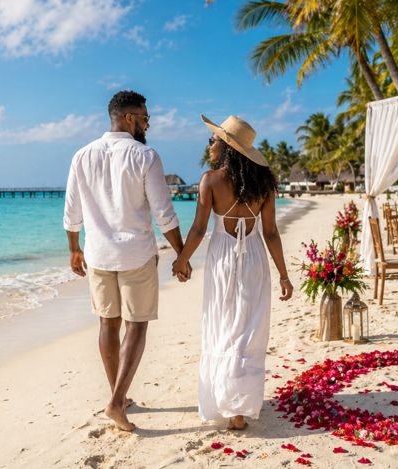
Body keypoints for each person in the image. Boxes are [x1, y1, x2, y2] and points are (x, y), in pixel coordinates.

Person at [63, 90, 188, 432]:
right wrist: (181, 253)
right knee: (136, 325)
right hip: (135, 255)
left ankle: (119, 396)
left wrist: (74, 248)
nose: (148, 123)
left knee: (108, 323)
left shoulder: (82, 155)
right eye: (146, 117)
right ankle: (118, 401)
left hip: (98, 254)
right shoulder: (145, 155)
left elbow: (71, 212)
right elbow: (164, 214)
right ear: (130, 118)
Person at [172, 115, 293, 431]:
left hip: (223, 262)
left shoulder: (210, 181)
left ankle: (230, 405)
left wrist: (182, 260)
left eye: (213, 140)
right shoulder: (263, 184)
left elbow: (199, 228)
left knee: (224, 327)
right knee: (247, 333)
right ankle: (239, 405)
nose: (209, 145)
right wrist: (283, 274)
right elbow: (270, 233)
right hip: (254, 261)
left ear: (226, 147)